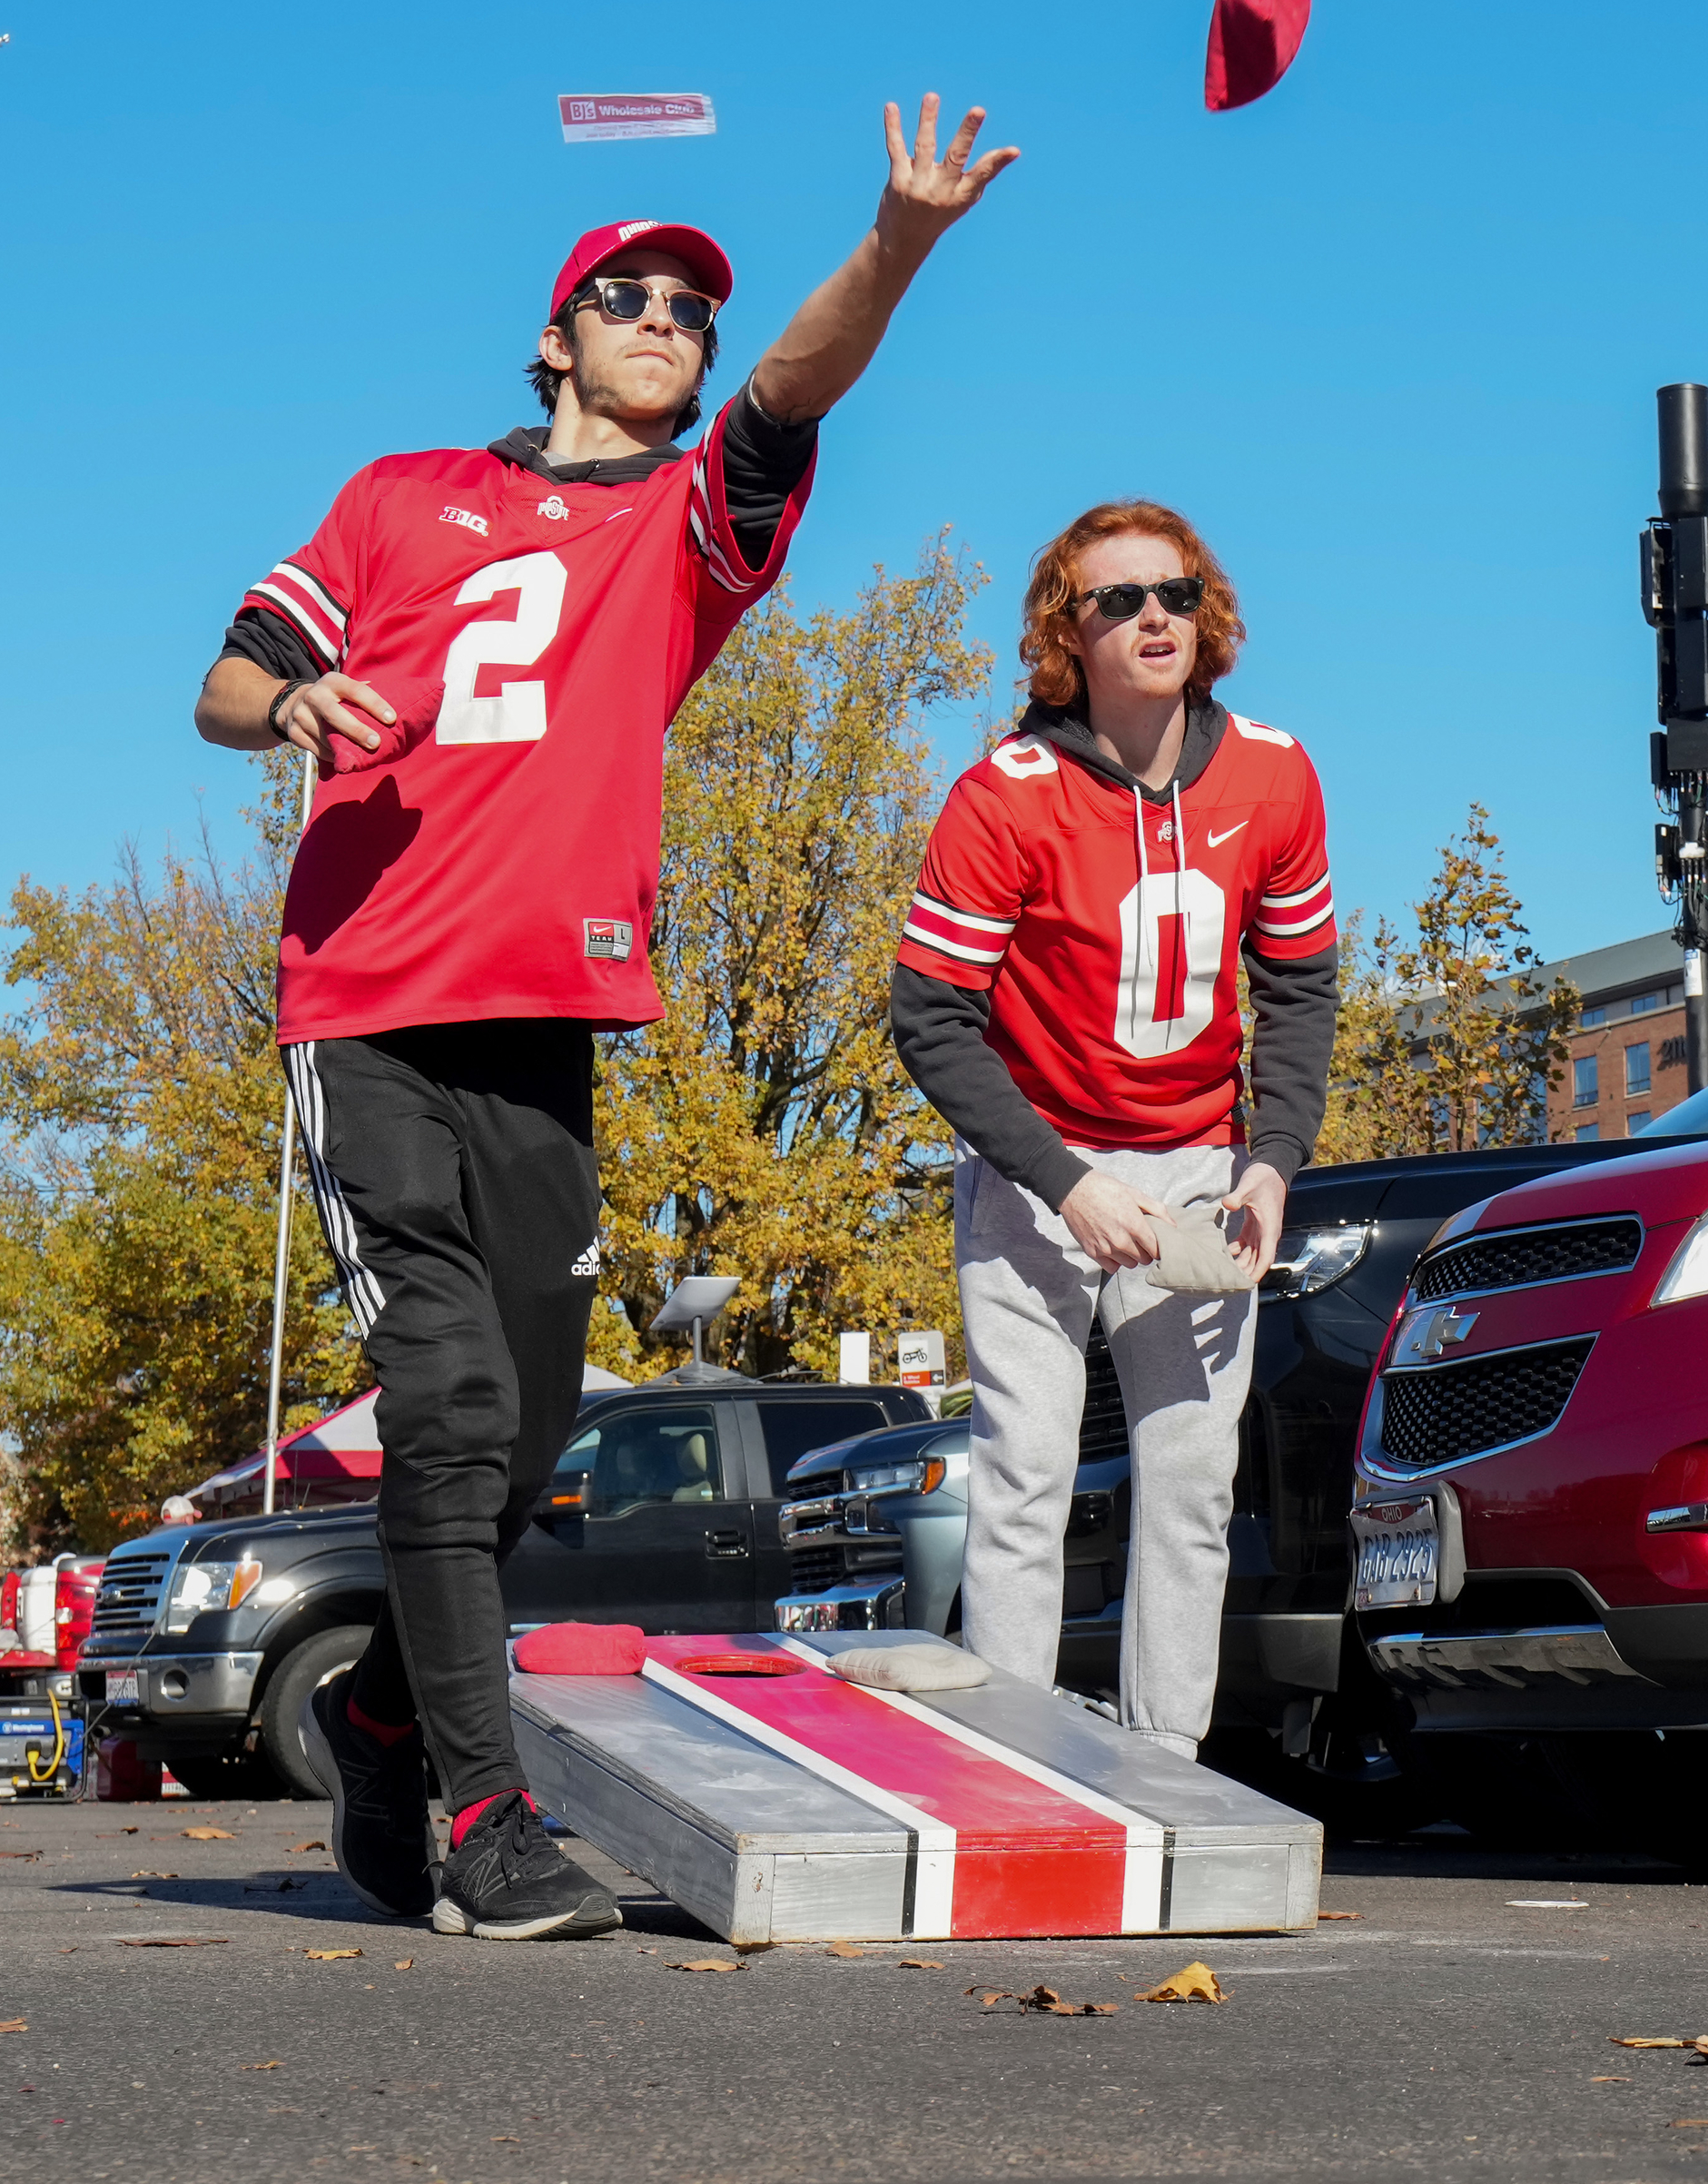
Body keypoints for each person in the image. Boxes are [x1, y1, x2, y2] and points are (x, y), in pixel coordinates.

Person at [193, 94, 1015, 1941]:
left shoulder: (683, 527)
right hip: (371, 1001)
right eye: (629, 293)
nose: (667, 319)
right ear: (554, 333)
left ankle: (385, 1715)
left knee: (529, 1424)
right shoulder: (402, 494)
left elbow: (798, 392)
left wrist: (898, 241)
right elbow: (227, 675)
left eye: (689, 308)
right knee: (449, 1399)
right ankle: (490, 1825)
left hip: (547, 1017)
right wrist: (289, 712)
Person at [889, 499, 1338, 1757]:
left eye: (1176, 592)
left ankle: (1166, 1771)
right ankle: (1012, 1773)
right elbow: (928, 1014)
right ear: (1064, 635)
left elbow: (1299, 987)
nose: (1155, 616)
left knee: (1191, 1489)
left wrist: (1272, 1160)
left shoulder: (1276, 771)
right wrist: (1061, 1178)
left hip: (1200, 1165)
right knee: (1024, 1478)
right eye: (1120, 599)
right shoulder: (1003, 796)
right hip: (1038, 1170)